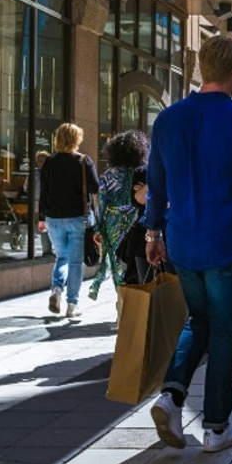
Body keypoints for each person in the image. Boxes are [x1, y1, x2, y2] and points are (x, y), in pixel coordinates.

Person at [144, 35, 232, 453]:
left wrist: (153, 233)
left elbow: (156, 184)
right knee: (224, 331)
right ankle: (217, 428)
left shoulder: (168, 120)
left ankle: (171, 395)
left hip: (183, 240)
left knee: (198, 320)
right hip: (227, 242)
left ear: (203, 68)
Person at [38, 123, 100, 319]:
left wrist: (41, 218)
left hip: (53, 218)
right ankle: (72, 305)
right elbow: (95, 187)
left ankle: (56, 290)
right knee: (75, 263)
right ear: (76, 139)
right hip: (77, 219)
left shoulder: (49, 162)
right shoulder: (83, 161)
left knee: (61, 257)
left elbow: (44, 193)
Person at [89, 130, 149, 318]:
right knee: (133, 263)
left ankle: (122, 301)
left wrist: (98, 228)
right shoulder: (141, 172)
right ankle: (131, 304)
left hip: (113, 223)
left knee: (118, 264)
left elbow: (100, 204)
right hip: (135, 221)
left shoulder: (108, 175)